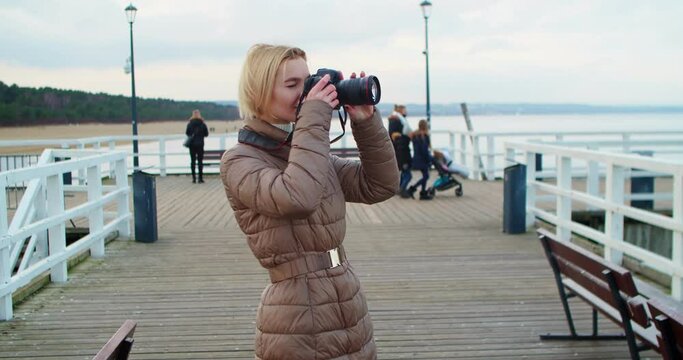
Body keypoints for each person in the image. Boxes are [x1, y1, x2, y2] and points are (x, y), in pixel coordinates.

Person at [219, 44, 398, 359]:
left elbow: (379, 185)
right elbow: (297, 196)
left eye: (309, 81)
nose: (306, 93)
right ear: (259, 92)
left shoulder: (308, 151)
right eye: (292, 85)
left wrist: (365, 122)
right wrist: (313, 116)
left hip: (347, 298)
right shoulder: (239, 161)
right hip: (296, 314)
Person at [387, 104, 413, 198]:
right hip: (401, 149)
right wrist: (405, 137)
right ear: (400, 110)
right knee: (407, 173)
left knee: (402, 171)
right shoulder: (396, 120)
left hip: (400, 149)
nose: (405, 111)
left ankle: (399, 188)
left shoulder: (398, 119)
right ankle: (402, 189)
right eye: (404, 109)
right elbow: (394, 134)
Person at [405, 119, 434, 200]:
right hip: (423, 160)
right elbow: (424, 150)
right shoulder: (424, 136)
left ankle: (423, 193)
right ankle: (413, 189)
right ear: (425, 127)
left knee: (425, 175)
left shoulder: (415, 135)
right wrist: (429, 159)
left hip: (416, 159)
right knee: (426, 176)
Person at [185, 109, 209, 183]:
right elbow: (206, 134)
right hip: (200, 144)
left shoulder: (190, 124)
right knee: (200, 161)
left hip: (192, 145)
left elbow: (187, 133)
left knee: (192, 161)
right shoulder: (202, 124)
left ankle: (194, 178)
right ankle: (200, 178)